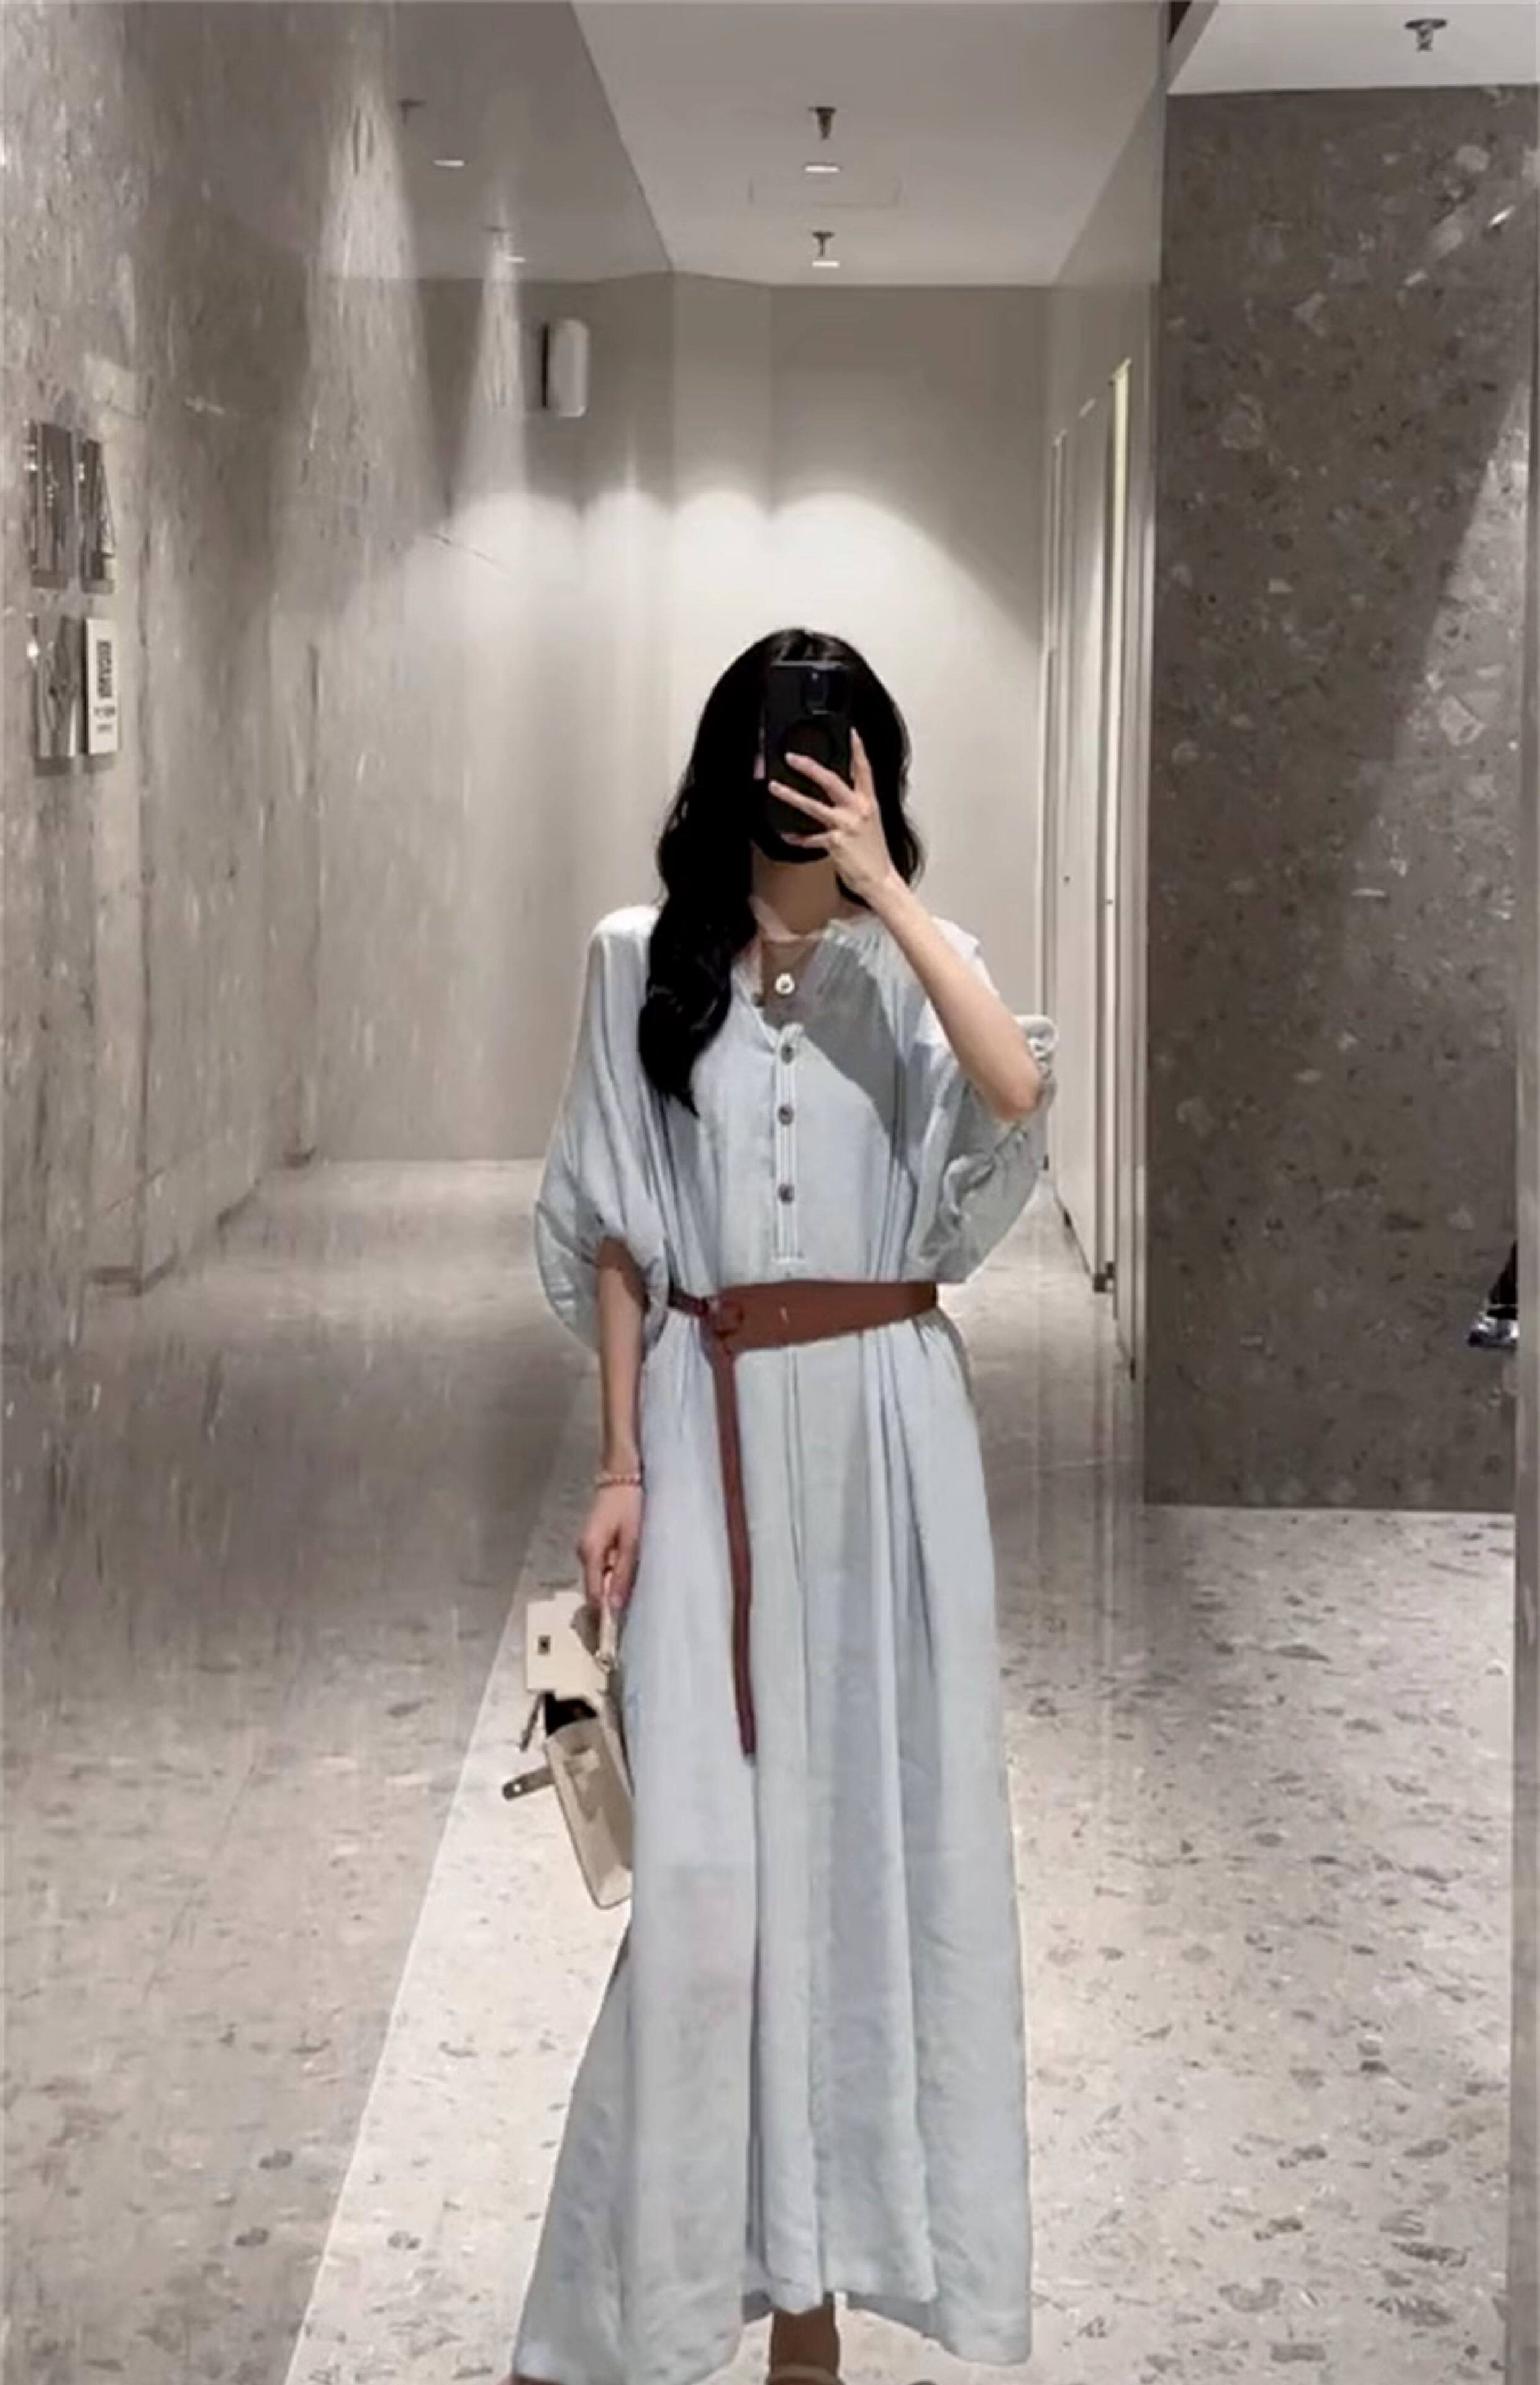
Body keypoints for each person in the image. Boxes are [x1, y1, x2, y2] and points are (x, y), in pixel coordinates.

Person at [504, 627, 1056, 2385]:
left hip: (890, 1447)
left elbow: (1017, 1096)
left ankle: (813, 2314)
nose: (805, 781)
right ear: (729, 771)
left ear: (876, 772)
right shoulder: (638, 962)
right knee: (705, 1884)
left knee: (877, 1859)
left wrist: (888, 890)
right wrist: (618, 1463)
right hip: (708, 1417)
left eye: (841, 753)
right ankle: (634, 2307)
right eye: (781, 751)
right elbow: (616, 1228)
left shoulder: (923, 970)